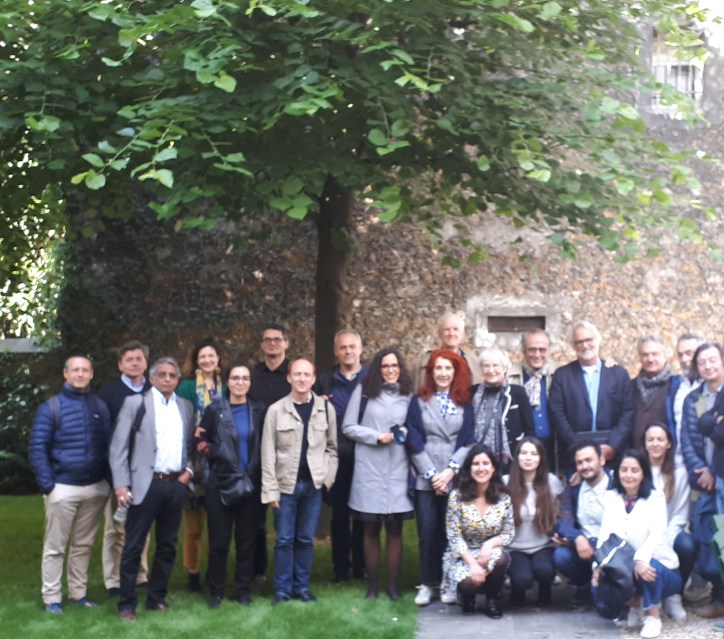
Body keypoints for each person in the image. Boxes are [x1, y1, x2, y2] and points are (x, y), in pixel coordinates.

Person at [110, 356, 195, 621]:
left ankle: (156, 597)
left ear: (177, 380)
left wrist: (189, 473)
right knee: (133, 546)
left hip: (175, 485)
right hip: (144, 485)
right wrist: (121, 485)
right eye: (162, 374)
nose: (167, 379)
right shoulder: (135, 404)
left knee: (168, 545)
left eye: (172, 375)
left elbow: (190, 445)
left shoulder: (185, 407)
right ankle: (126, 603)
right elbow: (118, 447)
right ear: (153, 378)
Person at [28, 354, 112, 614]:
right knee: (55, 547)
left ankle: (78, 594)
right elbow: (37, 448)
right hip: (62, 487)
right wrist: (49, 486)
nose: (80, 374)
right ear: (65, 374)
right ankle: (52, 598)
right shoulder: (51, 408)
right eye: (75, 370)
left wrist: (107, 482)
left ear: (91, 374)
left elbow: (109, 446)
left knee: (83, 546)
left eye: (85, 370)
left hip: (95, 488)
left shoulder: (99, 407)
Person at [261, 358, 338, 605]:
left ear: (314, 379)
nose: (302, 378)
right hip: (285, 486)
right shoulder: (276, 411)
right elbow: (268, 453)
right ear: (289, 378)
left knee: (305, 539)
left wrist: (326, 479)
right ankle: (282, 590)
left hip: (313, 487)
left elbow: (333, 449)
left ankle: (301, 587)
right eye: (297, 374)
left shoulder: (325, 409)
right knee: (284, 539)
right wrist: (270, 490)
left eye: (307, 374)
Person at [343, 347, 414, 600]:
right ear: (378, 369)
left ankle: (393, 586)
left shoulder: (409, 395)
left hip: (398, 469)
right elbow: (348, 426)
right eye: (385, 366)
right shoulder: (364, 391)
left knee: (395, 529)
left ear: (401, 368)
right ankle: (372, 585)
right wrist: (374, 436)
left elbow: (416, 427)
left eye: (394, 366)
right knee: (370, 529)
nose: (390, 370)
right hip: (370, 469)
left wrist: (405, 432)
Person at [405, 349, 476, 606]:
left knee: (451, 532)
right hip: (427, 477)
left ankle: (449, 582)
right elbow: (413, 437)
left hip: (453, 476)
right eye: (438, 368)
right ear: (431, 372)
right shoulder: (419, 401)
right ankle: (427, 583)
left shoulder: (465, 402)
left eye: (448, 368)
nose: (443, 373)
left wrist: (449, 472)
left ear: (455, 372)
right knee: (427, 531)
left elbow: (469, 439)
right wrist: (433, 474)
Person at [196, 362, 265, 609]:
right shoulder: (214, 409)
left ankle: (242, 590)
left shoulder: (258, 409)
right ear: (228, 381)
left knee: (246, 542)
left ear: (250, 382)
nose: (240, 382)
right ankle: (217, 591)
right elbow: (198, 440)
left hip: (249, 484)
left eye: (245, 378)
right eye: (235, 378)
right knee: (219, 542)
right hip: (220, 483)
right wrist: (216, 451)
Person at [593, 449, 681, 639]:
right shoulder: (611, 497)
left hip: (662, 567)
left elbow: (658, 533)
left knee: (648, 569)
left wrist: (641, 558)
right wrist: (597, 566)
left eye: (634, 470)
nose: (629, 475)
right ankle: (636, 604)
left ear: (643, 473)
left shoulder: (655, 497)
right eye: (624, 470)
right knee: (597, 584)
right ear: (617, 472)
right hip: (626, 568)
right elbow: (604, 536)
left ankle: (653, 615)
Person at [313, 329, 368, 583]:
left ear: (360, 349)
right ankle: (340, 568)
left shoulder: (371, 376)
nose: (348, 351)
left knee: (362, 514)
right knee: (339, 514)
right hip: (336, 454)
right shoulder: (325, 380)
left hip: (365, 455)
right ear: (336, 351)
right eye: (343, 347)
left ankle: (361, 566)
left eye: (352, 347)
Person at [98, 340, 152, 598]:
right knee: (116, 528)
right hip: (117, 474)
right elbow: (104, 436)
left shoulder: (154, 391)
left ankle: (140, 575)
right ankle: (114, 581)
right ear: (120, 364)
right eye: (129, 359)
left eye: (138, 358)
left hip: (146, 474)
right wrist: (114, 477)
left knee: (143, 527)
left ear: (146, 363)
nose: (134, 363)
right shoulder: (108, 393)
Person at [440, 443, 514, 619]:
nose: (481, 468)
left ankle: (493, 599)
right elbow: (454, 536)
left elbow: (509, 533)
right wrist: (473, 564)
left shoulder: (503, 498)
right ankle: (468, 598)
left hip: (490, 551)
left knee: (501, 559)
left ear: (493, 468)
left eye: (486, 463)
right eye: (476, 464)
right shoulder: (457, 497)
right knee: (467, 584)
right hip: (462, 553)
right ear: (469, 468)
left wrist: (489, 545)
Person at [549, 320, 635, 471]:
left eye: (589, 339)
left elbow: (628, 412)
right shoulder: (562, 376)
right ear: (573, 345)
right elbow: (558, 415)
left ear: (598, 340)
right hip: (575, 457)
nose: (585, 345)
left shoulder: (618, 374)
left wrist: (612, 446)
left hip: (613, 456)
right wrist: (580, 448)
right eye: (579, 342)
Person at [176, 338, 226, 592]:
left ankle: (213, 572)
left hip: (220, 461)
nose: (207, 360)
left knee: (217, 526)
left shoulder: (226, 386)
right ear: (196, 360)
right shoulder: (186, 387)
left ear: (218, 359)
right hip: (194, 462)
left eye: (211, 356)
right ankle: (193, 573)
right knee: (194, 528)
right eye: (202, 356)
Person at [681, 342, 724, 619]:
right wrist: (704, 471)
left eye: (713, 360)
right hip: (704, 482)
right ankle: (719, 598)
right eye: (702, 362)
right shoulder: (692, 399)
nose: (708, 366)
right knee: (711, 541)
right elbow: (686, 440)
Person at [250, 323, 292, 581]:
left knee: (284, 521)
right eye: (268, 339)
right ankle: (257, 571)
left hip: (286, 456)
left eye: (277, 339)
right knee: (255, 520)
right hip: (256, 455)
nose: (272, 343)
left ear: (286, 343)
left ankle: (285, 575)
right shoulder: (253, 375)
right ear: (262, 345)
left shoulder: (294, 374)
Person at [504, 436, 563, 607]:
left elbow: (562, 511)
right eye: (523, 453)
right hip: (515, 548)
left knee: (544, 571)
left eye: (533, 453)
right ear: (517, 457)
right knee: (522, 579)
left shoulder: (551, 482)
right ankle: (517, 588)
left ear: (541, 458)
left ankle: (545, 588)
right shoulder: (506, 482)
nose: (528, 458)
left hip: (543, 546)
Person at [552, 440, 612, 609]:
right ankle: (584, 585)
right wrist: (577, 537)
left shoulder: (616, 485)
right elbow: (563, 519)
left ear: (601, 460)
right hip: (583, 548)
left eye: (589, 460)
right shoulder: (574, 487)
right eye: (579, 462)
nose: (584, 466)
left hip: (612, 548)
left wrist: (594, 544)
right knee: (561, 557)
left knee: (606, 606)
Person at [643, 422, 693, 622]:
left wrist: (664, 539)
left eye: (660, 439)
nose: (655, 444)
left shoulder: (679, 473)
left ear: (669, 443)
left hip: (670, 531)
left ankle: (675, 594)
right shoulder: (638, 470)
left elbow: (680, 514)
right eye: (650, 439)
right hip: (643, 532)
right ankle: (644, 599)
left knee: (687, 545)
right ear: (645, 444)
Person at [471, 346, 534, 472]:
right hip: (479, 461)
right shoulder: (473, 392)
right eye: (486, 366)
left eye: (495, 365)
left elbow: (529, 430)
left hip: (510, 461)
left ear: (504, 368)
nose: (491, 370)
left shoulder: (518, 392)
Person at [510, 329, 559, 473]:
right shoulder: (510, 374)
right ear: (523, 350)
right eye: (531, 349)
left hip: (553, 445)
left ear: (549, 350)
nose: (537, 354)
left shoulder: (561, 372)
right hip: (523, 448)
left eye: (542, 349)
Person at [631, 336, 681, 453]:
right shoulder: (630, 386)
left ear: (664, 355)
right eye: (645, 355)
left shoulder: (676, 386)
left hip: (667, 456)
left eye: (655, 354)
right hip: (636, 454)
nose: (650, 359)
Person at [412, 311, 482, 390]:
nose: (451, 333)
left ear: (462, 334)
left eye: (455, 329)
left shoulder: (473, 362)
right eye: (446, 329)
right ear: (439, 334)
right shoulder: (425, 361)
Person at [673, 333, 704, 468]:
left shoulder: (711, 387)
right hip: (679, 461)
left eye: (689, 353)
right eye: (680, 355)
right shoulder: (677, 386)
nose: (684, 359)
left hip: (706, 463)